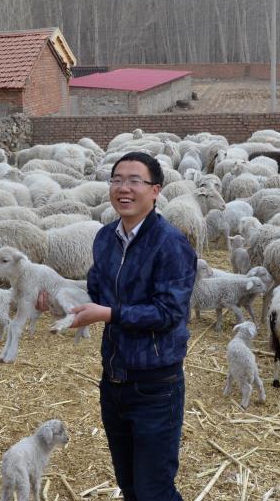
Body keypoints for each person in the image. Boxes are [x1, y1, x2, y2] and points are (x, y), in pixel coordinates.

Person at [65, 151, 197, 501]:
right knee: (130, 485)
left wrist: (110, 314)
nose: (124, 188)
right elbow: (96, 292)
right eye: (117, 180)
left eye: (134, 181)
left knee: (155, 491)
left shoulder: (171, 244)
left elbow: (169, 312)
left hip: (155, 384)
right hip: (114, 379)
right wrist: (58, 301)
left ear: (155, 190)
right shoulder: (105, 238)